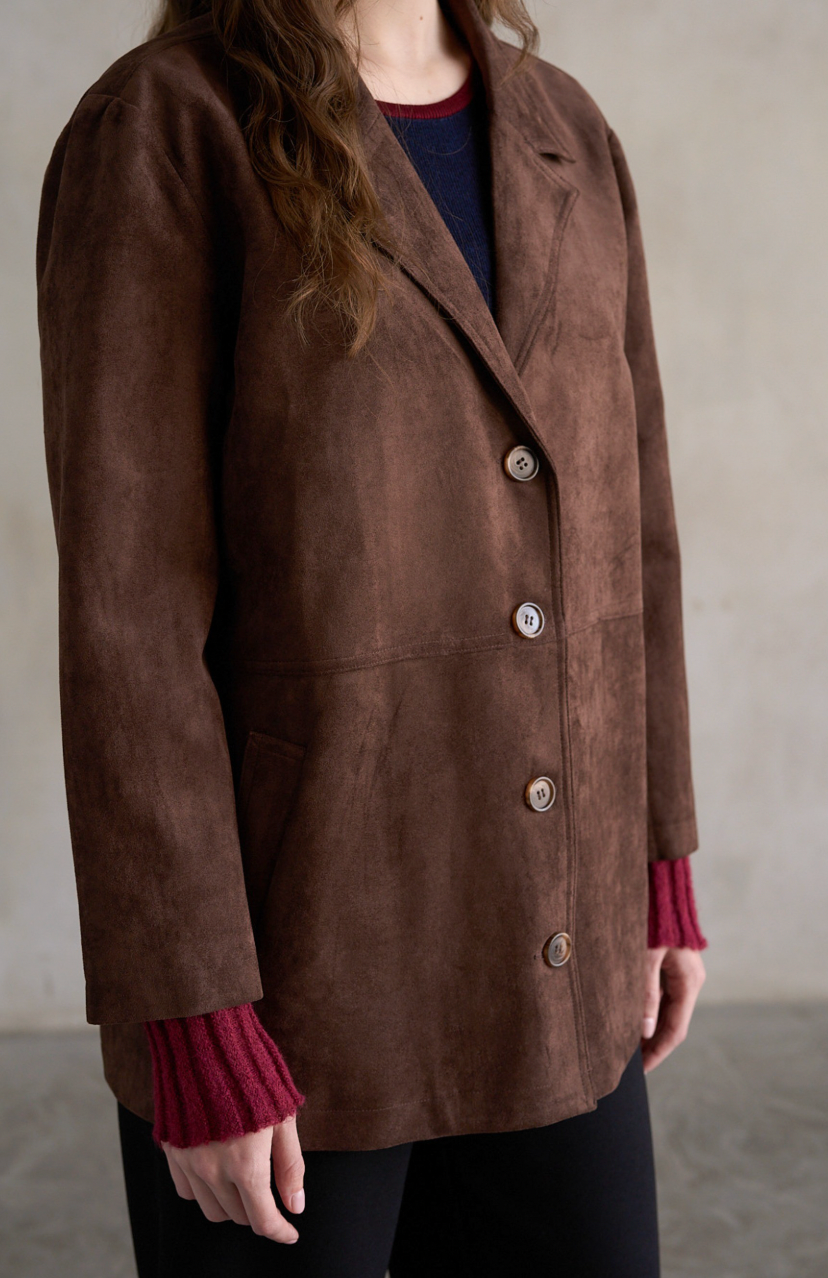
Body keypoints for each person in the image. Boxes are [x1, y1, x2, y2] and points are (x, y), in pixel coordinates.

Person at [37, 0, 707, 1272]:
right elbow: (130, 623)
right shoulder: (168, 126)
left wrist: (656, 862)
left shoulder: (565, 128)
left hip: (561, 953)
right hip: (304, 992)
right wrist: (193, 1015)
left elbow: (638, 534)